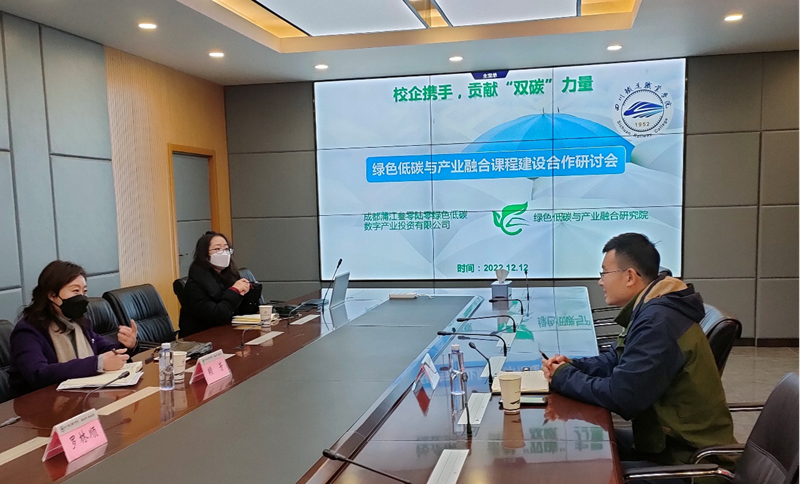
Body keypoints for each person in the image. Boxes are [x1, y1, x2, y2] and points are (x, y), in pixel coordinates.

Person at [542, 233, 736, 472]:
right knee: (578, 448)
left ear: (630, 276)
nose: (601, 281)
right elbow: (615, 359)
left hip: (687, 460)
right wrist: (573, 365)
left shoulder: (659, 321)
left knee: (583, 466)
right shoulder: (652, 307)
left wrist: (564, 377)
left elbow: (622, 396)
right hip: (660, 442)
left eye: (604, 273)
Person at [8, 261, 139, 395]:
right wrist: (96, 364)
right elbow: (38, 373)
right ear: (52, 295)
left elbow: (106, 351)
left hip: (81, 397)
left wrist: (128, 345)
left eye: (84, 291)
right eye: (75, 291)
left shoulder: (79, 324)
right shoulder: (28, 331)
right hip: (39, 403)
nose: (82, 297)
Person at [178, 231, 262, 337]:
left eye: (226, 249)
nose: (223, 253)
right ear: (205, 255)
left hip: (228, 334)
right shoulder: (194, 284)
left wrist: (249, 293)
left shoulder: (228, 276)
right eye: (217, 249)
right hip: (201, 339)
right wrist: (234, 291)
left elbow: (241, 313)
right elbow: (217, 316)